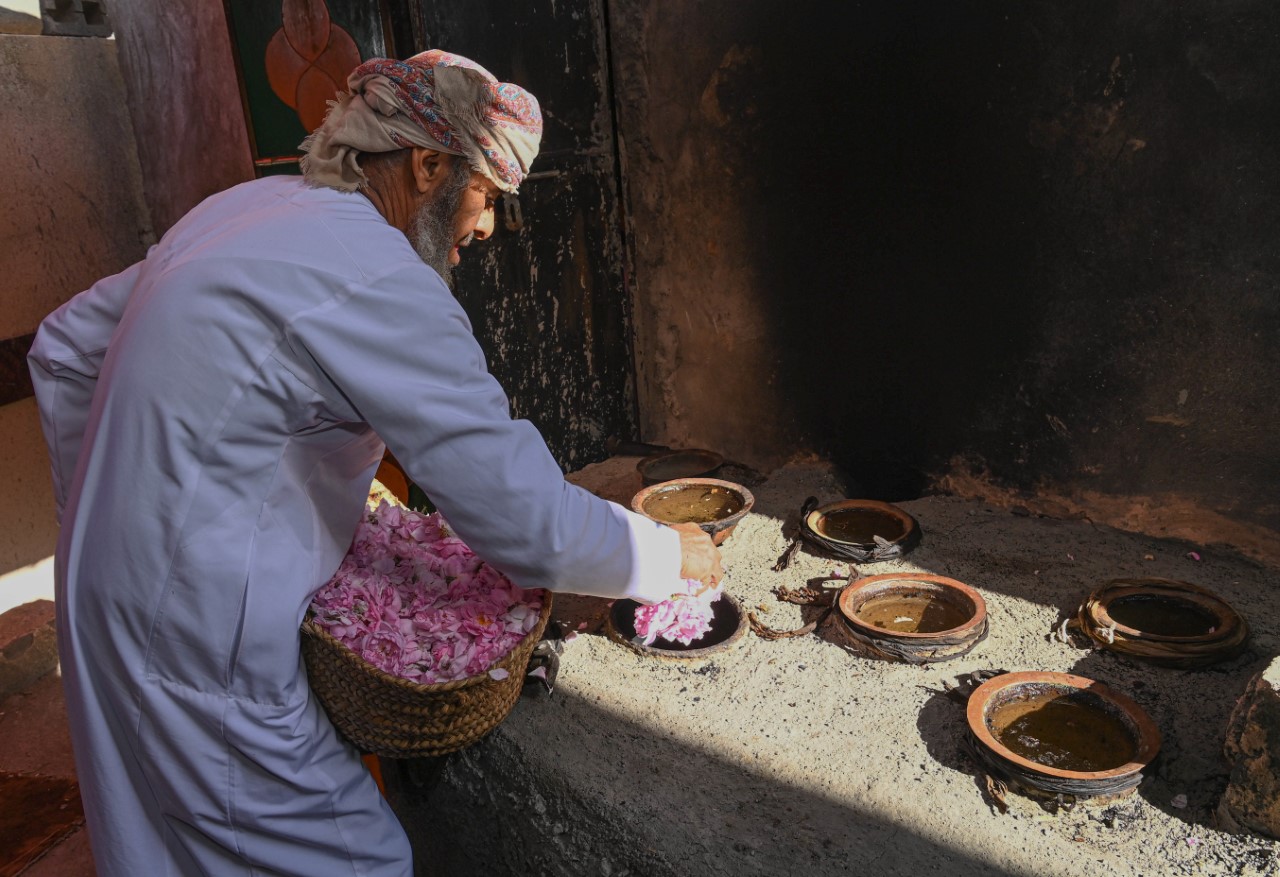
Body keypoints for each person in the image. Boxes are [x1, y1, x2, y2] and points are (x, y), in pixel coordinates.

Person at [27, 49, 722, 877]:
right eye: (487, 195)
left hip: (103, 597)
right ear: (428, 165)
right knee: (353, 858)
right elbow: (525, 518)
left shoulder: (247, 208)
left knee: (168, 843)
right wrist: (665, 553)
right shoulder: (378, 278)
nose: (490, 225)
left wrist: (102, 520)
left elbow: (64, 348)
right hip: (199, 637)